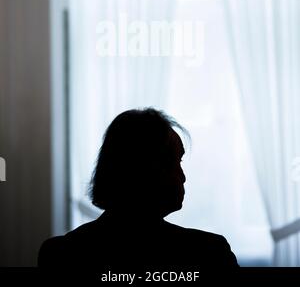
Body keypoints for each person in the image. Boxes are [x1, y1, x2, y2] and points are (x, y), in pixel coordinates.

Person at [38, 108, 239, 271]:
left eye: (180, 161)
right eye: (171, 162)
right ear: (137, 169)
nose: (183, 176)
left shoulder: (61, 254)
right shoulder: (207, 254)